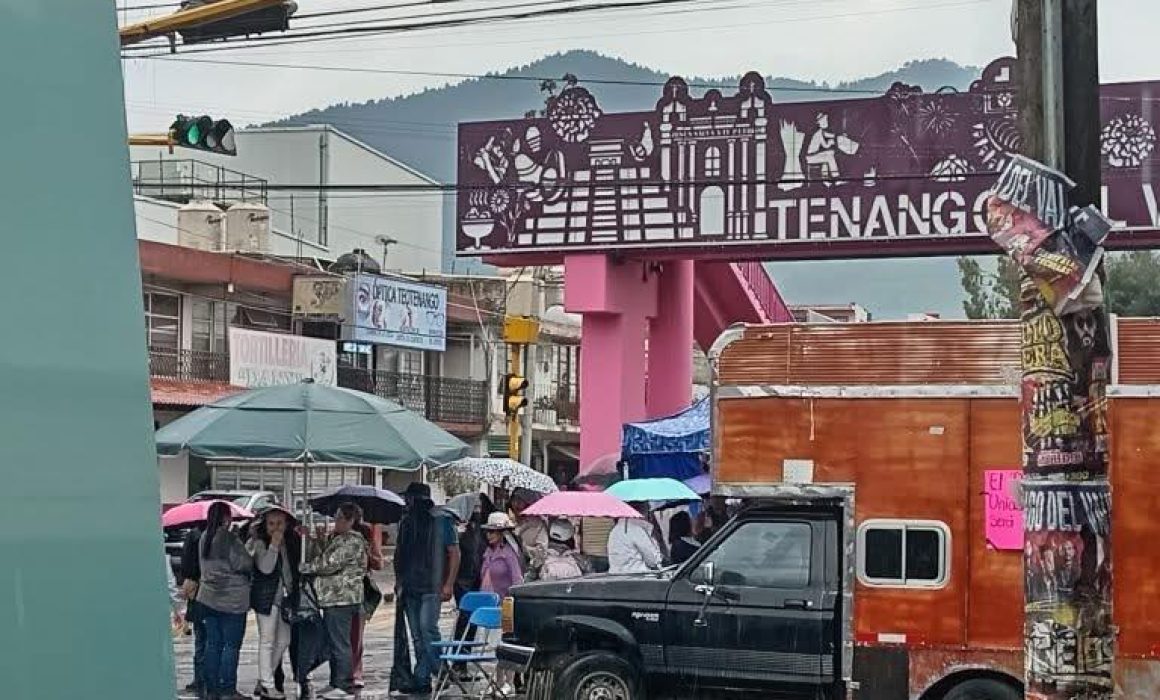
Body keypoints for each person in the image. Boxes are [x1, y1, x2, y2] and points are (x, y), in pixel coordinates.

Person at [393, 482, 461, 695]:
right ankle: (423, 677)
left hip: (432, 585)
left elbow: (454, 552)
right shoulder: (406, 522)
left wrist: (448, 583)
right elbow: (400, 554)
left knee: (426, 630)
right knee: (417, 635)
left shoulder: (442, 520)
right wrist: (399, 582)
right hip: (411, 585)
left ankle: (439, 672)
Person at [300, 503, 369, 700]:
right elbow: (327, 555)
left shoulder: (351, 541)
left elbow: (329, 564)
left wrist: (305, 567)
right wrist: (319, 540)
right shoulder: (339, 539)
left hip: (341, 598)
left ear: (350, 521)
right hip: (333, 598)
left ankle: (344, 683)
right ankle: (336, 681)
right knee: (335, 641)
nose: (335, 522)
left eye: (339, 518)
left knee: (340, 643)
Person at [196, 502, 253, 700]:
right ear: (226, 518)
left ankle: (212, 689)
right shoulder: (229, 538)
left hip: (208, 599)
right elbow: (244, 563)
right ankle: (228, 690)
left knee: (213, 644)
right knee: (231, 646)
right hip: (233, 602)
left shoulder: (204, 537)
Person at [248, 506, 300, 700]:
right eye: (271, 523)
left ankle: (264, 679)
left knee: (284, 640)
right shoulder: (260, 543)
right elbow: (266, 568)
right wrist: (274, 545)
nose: (276, 528)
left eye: (279, 523)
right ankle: (268, 685)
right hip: (266, 598)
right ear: (265, 524)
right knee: (267, 640)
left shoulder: (290, 541)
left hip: (285, 599)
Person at [479, 512, 525, 697]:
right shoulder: (488, 552)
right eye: (488, 531)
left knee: (506, 644)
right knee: (493, 646)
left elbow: (517, 580)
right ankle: (496, 682)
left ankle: (508, 682)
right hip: (488, 604)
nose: (489, 535)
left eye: (494, 532)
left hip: (506, 605)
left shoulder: (509, 554)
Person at [350, 512, 384, 690]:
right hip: (340, 591)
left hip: (361, 589)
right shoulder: (336, 534)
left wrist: (369, 556)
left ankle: (356, 671)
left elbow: (378, 563)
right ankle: (345, 670)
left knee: (357, 633)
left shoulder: (366, 533)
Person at [179, 526, 207, 697]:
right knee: (211, 639)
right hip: (208, 592)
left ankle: (199, 678)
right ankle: (208, 677)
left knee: (200, 640)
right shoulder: (212, 537)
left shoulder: (192, 536)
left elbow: (186, 567)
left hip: (196, 593)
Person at [607, 504, 664, 574]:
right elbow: (653, 560)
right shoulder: (637, 530)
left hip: (616, 575)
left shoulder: (614, 530)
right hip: (638, 576)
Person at [509, 488, 549, 578]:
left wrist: (522, 548)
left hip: (529, 572)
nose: (515, 504)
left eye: (520, 501)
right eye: (514, 500)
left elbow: (541, 553)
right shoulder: (511, 522)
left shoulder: (537, 525)